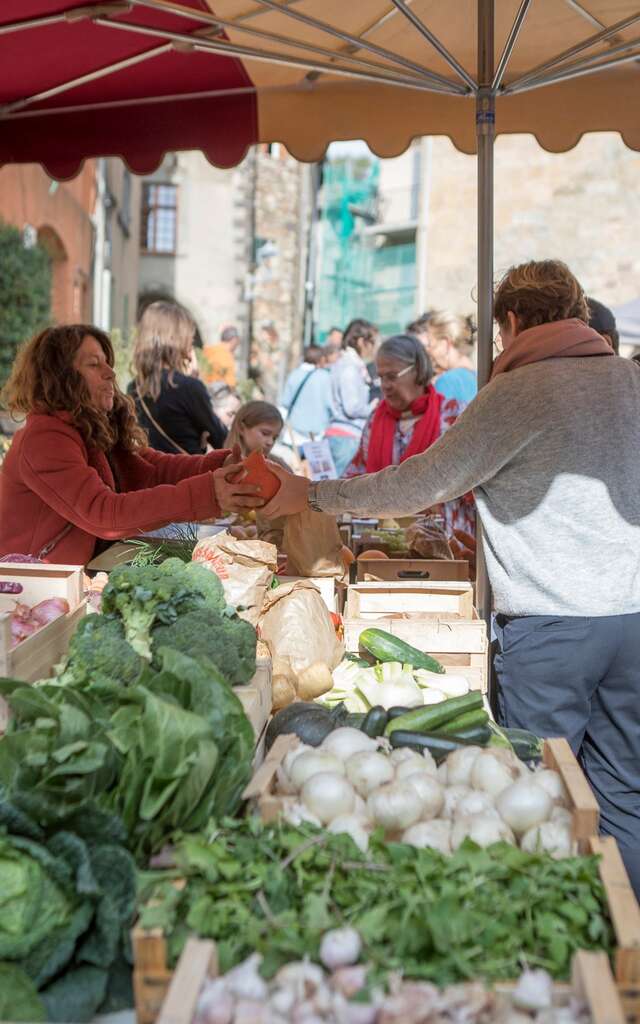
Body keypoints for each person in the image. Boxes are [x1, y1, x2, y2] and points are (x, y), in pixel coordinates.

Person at [263, 258, 640, 896]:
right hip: (632, 621)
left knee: (539, 796)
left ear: (513, 321)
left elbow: (422, 482)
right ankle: (627, 945)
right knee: (626, 792)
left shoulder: (517, 391)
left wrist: (313, 495)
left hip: (551, 631)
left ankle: (561, 955)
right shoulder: (631, 380)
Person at [0, 325, 263, 565]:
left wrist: (217, 464)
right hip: (33, 588)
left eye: (107, 362)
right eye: (94, 364)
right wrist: (207, 493)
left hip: (81, 572)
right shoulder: (45, 439)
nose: (110, 372)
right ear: (61, 378)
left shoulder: (90, 426)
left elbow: (151, 470)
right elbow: (103, 514)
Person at [344, 334, 474, 537]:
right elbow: (358, 473)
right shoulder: (375, 420)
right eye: (381, 377)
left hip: (446, 540)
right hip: (387, 539)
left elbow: (473, 478)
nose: (384, 386)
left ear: (417, 371)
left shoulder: (452, 414)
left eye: (392, 376)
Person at [129, 301, 226, 455]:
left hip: (150, 475)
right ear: (179, 339)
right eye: (190, 336)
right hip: (186, 475)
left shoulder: (134, 387)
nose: (192, 342)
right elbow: (222, 440)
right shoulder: (189, 388)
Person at [326, 318, 379, 476]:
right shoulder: (350, 368)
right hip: (347, 438)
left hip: (341, 436)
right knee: (339, 490)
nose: (373, 348)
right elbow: (352, 407)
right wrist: (373, 407)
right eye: (372, 342)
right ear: (362, 341)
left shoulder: (345, 363)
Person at [409, 310, 478, 405]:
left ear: (446, 344)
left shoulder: (447, 381)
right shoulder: (479, 376)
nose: (428, 351)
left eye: (430, 345)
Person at [280, 345, 333, 442]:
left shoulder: (294, 374)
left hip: (294, 433)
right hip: (317, 434)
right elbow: (331, 405)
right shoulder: (325, 377)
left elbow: (285, 403)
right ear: (321, 359)